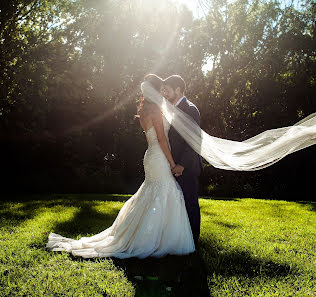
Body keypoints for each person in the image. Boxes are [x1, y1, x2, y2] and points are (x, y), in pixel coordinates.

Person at [46, 74, 195, 258]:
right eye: (161, 89)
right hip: (160, 157)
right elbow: (162, 139)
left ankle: (153, 236)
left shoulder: (144, 110)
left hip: (151, 155)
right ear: (156, 90)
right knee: (164, 192)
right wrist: (172, 163)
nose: (163, 91)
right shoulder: (156, 110)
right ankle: (156, 239)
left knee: (153, 193)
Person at [161, 75, 203, 246]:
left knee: (189, 201)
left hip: (187, 166)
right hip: (173, 164)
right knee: (178, 203)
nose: (164, 92)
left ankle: (193, 240)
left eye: (167, 89)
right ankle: (180, 238)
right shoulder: (171, 107)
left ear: (178, 89)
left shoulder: (190, 109)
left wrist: (182, 165)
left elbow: (194, 140)